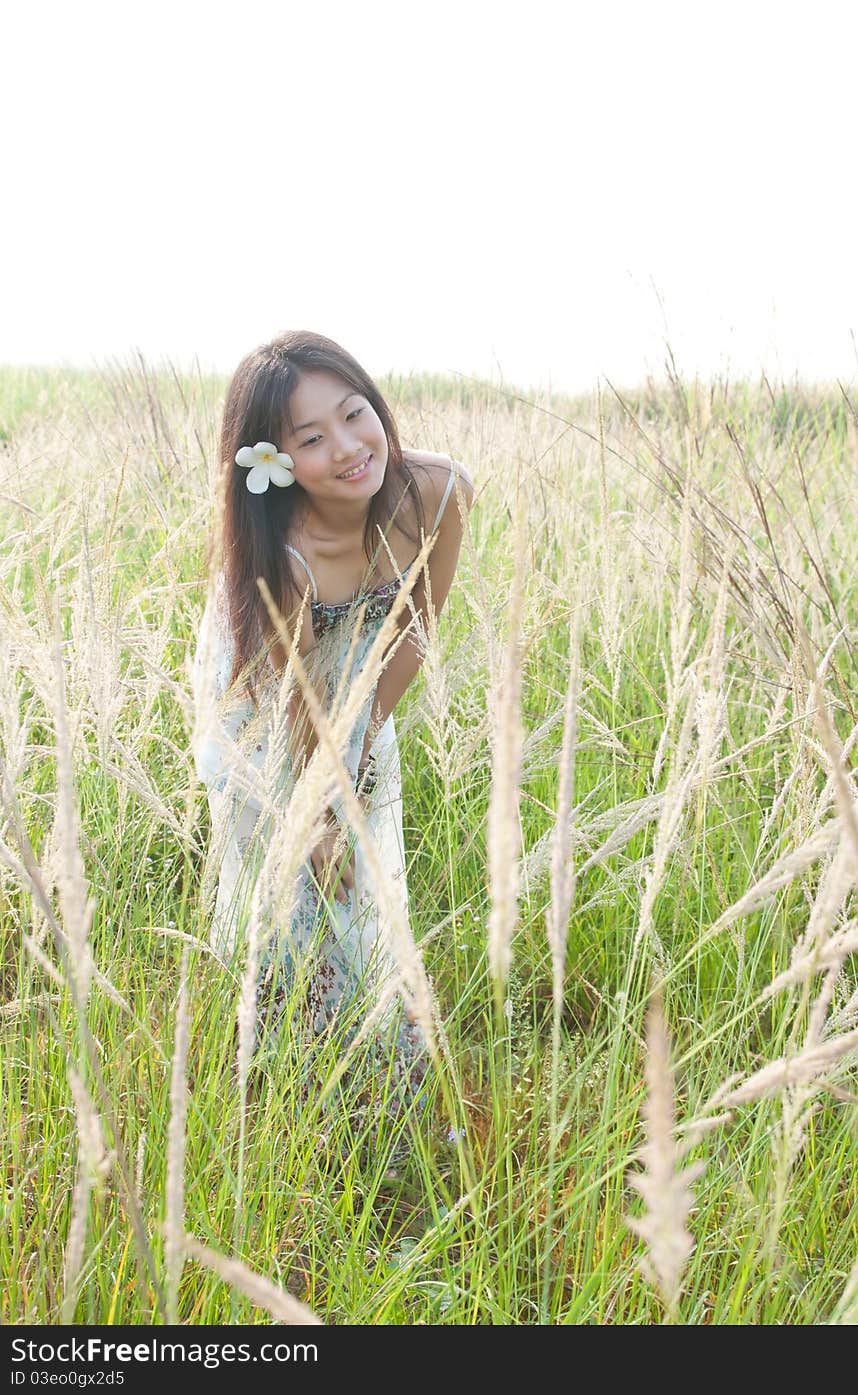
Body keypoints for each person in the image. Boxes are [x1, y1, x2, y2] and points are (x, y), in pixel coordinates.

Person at [191, 330, 474, 1130]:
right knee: (294, 899)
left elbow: (416, 626)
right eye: (310, 439)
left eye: (355, 414)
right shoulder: (285, 558)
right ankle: (281, 1092)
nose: (349, 447)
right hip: (271, 717)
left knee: (366, 891)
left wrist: (363, 742)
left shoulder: (440, 491)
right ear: (272, 462)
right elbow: (298, 715)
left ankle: (383, 1086)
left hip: (356, 699)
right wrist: (318, 818)